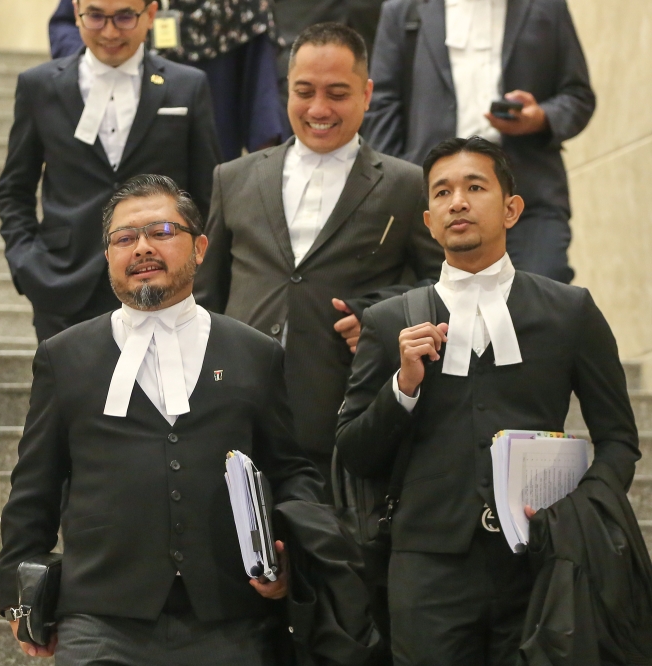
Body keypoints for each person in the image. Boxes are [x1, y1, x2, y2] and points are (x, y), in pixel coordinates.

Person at [0, 175, 326, 663]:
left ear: (199, 247)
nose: (143, 249)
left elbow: (290, 469)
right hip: (98, 620)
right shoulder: (65, 356)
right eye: (125, 238)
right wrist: (21, 602)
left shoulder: (254, 353)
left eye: (162, 232)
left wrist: (289, 557)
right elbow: (33, 490)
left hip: (232, 617)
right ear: (107, 255)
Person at [336, 136, 639, 665]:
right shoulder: (389, 323)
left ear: (511, 208)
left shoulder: (570, 312)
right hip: (425, 569)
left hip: (540, 562)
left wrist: (574, 514)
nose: (458, 202)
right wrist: (402, 388)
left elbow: (618, 440)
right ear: (428, 219)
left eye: (475, 187)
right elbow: (354, 455)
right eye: (442, 192)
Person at [194, 22, 442, 493]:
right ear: (285, 90)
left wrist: (376, 315)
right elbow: (205, 294)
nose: (319, 109)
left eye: (338, 93)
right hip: (235, 408)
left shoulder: (407, 185)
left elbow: (442, 281)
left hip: (342, 412)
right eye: (303, 91)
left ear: (367, 94)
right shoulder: (233, 177)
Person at [0, 0, 220, 342]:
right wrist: (26, 265)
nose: (111, 31)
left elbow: (206, 194)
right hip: (63, 283)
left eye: (125, 17)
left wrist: (194, 271)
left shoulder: (187, 86)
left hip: (160, 283)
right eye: (97, 17)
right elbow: (15, 189)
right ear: (76, 13)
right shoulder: (39, 86)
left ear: (150, 13)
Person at [363, 0, 595, 284]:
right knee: (446, 317)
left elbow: (578, 96)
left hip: (529, 196)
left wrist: (541, 117)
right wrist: (407, 185)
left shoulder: (546, 6)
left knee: (540, 307)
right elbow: (382, 106)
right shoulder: (403, 10)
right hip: (438, 199)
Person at [49, 0, 287, 161]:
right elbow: (69, 23)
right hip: (117, 100)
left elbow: (260, 84)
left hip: (215, 106)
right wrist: (104, 64)